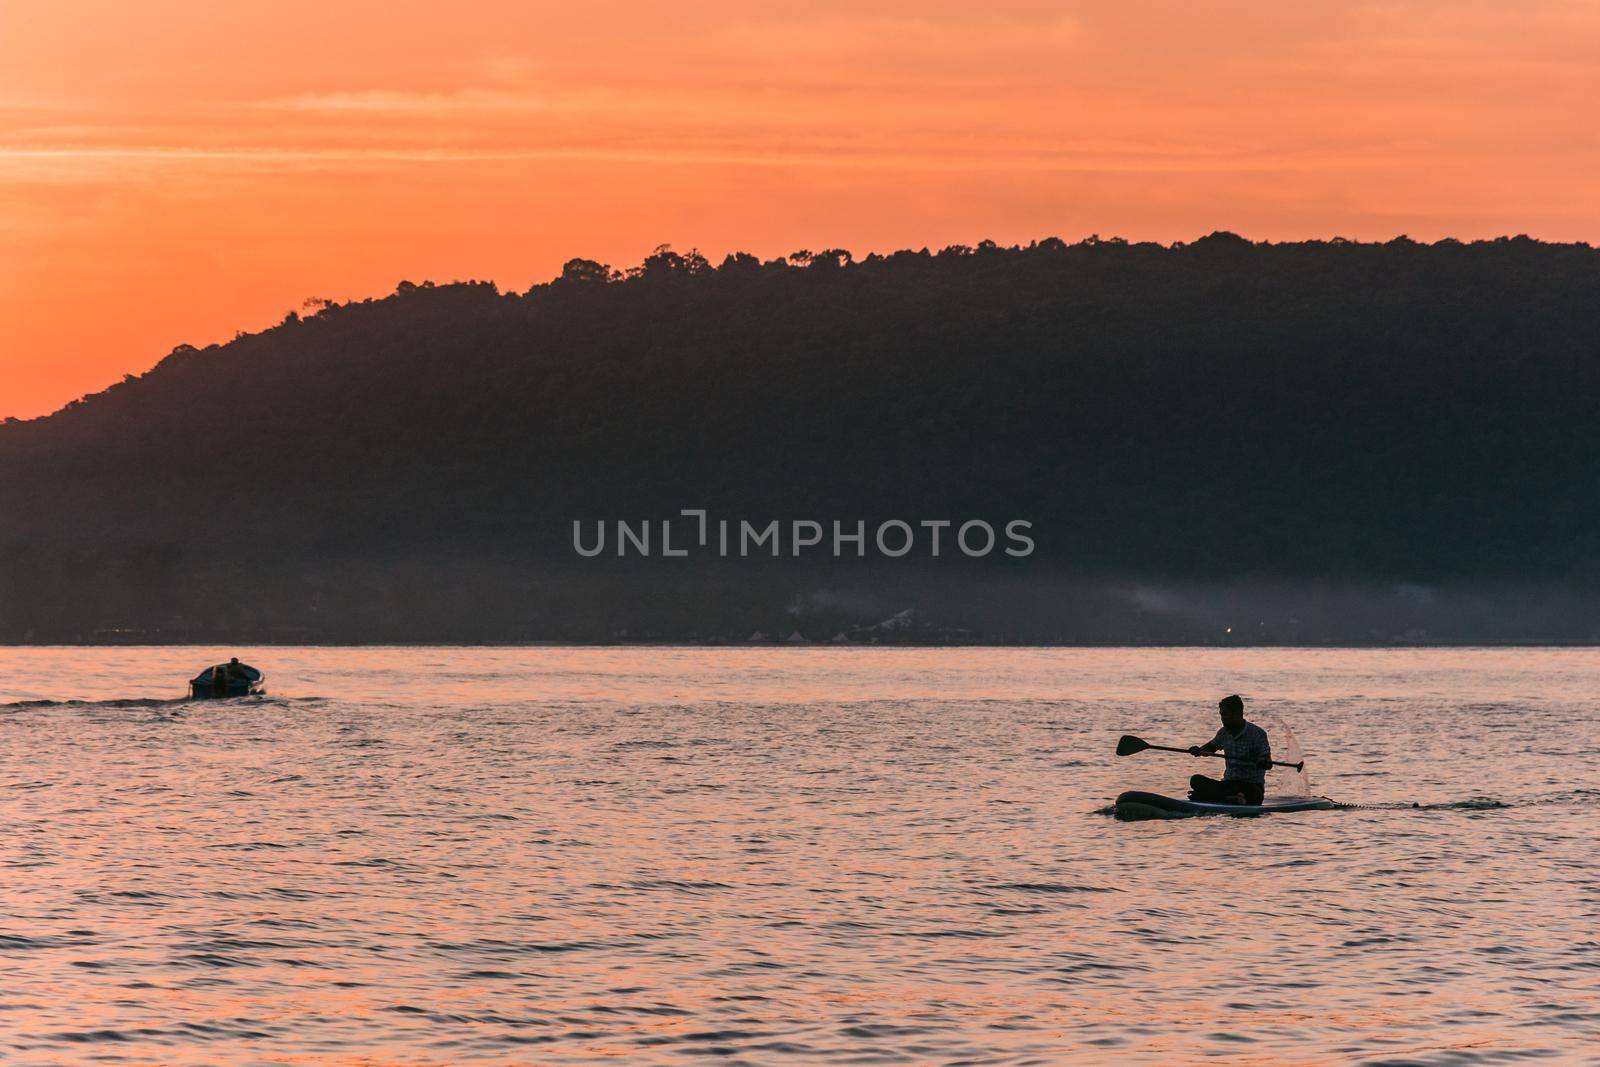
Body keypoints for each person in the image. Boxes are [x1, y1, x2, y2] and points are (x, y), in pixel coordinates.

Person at [1188, 694, 1272, 804]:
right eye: (1221, 714)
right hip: (1229, 785)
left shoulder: (1258, 734)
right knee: (1196, 780)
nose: (1222, 718)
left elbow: (1269, 764)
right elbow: (1210, 748)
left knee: (1253, 793)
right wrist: (1198, 750)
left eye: (1224, 714)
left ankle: (1214, 798)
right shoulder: (1223, 733)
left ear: (1237, 714)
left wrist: (1262, 762)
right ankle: (1231, 799)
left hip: (1251, 786)